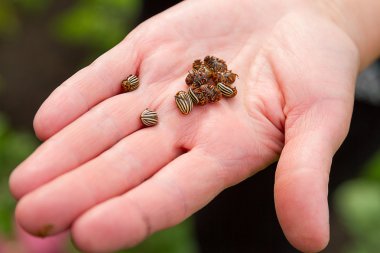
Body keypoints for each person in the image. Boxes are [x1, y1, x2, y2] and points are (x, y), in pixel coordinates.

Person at [8, 0, 380, 252]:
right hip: (199, 18)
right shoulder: (201, 71)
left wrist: (342, 13)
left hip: (345, 76)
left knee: (250, 218)